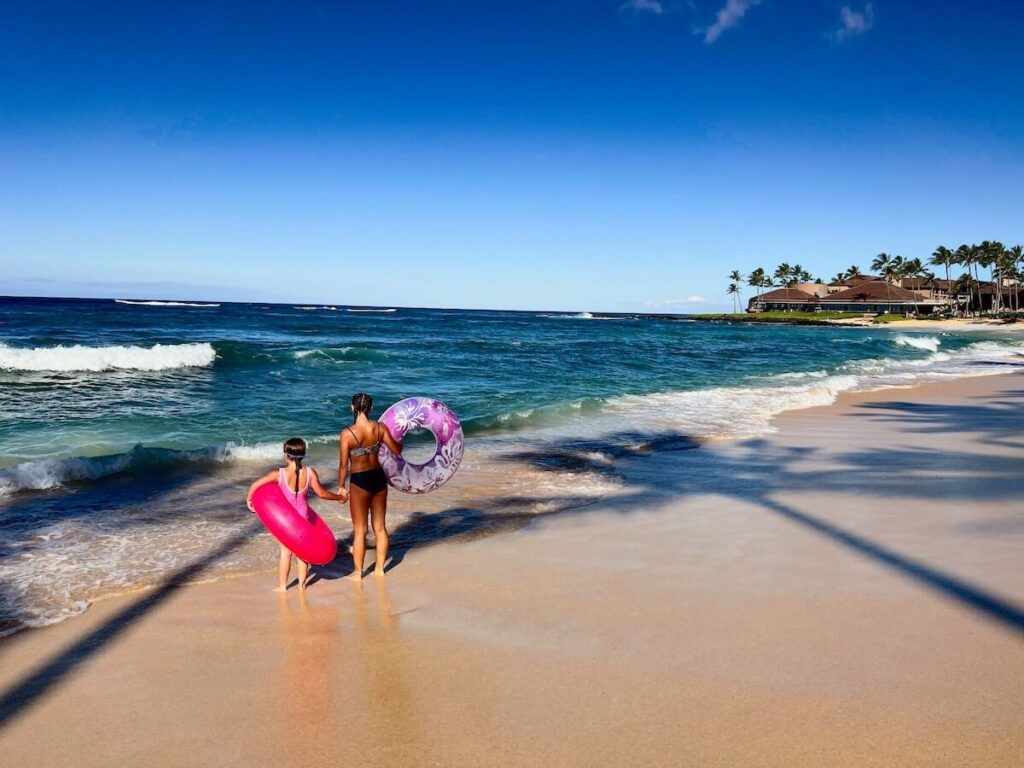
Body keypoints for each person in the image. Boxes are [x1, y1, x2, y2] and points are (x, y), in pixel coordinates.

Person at [247, 437, 348, 591]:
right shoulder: (309, 473)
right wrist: (340, 497)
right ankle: (301, 585)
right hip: (303, 514)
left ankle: (282, 587)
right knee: (303, 553)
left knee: (286, 553)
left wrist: (249, 500)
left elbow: (256, 485)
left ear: (286, 455)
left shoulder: (278, 474)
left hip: (287, 518)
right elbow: (321, 493)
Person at [338, 393, 403, 579]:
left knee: (360, 530)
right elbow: (396, 451)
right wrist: (401, 442)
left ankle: (358, 573)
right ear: (371, 409)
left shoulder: (347, 434)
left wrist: (341, 486)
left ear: (352, 408)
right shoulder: (380, 428)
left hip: (359, 481)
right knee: (380, 527)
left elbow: (344, 465)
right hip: (378, 478)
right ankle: (380, 569)